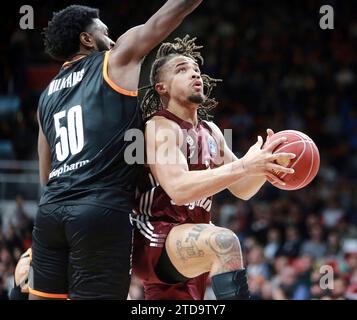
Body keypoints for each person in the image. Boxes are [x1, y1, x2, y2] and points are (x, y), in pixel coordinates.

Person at [31, 1, 203, 300]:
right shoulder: (115, 59)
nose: (112, 40)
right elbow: (173, 12)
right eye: (105, 32)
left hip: (49, 216)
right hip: (101, 211)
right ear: (86, 39)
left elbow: (45, 175)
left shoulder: (46, 96)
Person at [131, 36, 296, 300]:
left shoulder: (211, 131)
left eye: (196, 68)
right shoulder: (159, 127)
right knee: (224, 242)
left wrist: (266, 167)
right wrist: (244, 165)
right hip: (156, 237)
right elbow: (178, 189)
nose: (194, 72)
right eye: (181, 69)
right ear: (161, 87)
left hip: (190, 242)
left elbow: (243, 189)